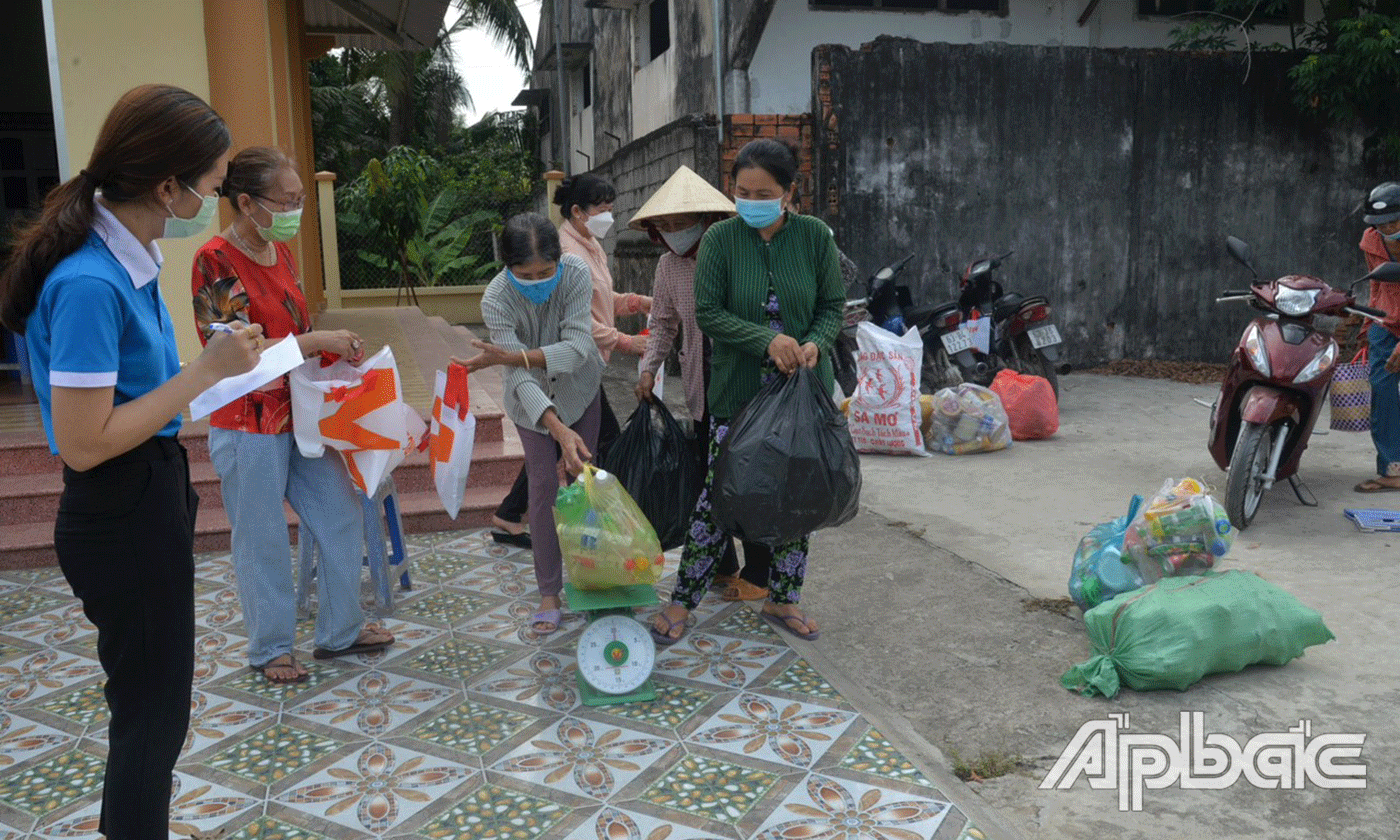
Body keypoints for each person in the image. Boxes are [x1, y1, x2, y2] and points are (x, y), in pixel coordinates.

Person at [0, 84, 260, 840]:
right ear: (167, 185)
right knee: (150, 716)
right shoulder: (88, 282)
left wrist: (211, 369)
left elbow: (137, 389)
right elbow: (84, 440)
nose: (219, 196)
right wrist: (203, 373)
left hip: (149, 490)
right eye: (213, 184)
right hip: (117, 507)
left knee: (157, 710)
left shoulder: (131, 256)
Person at [191, 147, 393, 683]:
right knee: (262, 540)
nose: (296, 210)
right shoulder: (214, 261)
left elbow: (293, 336)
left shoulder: (279, 255)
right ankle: (272, 647)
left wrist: (334, 349)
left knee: (341, 514)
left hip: (301, 417)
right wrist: (313, 339)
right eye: (288, 200)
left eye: (301, 199)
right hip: (247, 424)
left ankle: (340, 631)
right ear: (246, 203)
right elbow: (230, 351)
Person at [649, 138, 845, 645]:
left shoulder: (815, 237)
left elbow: (831, 306)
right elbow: (709, 312)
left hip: (801, 395)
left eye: (764, 192)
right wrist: (768, 340)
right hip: (737, 395)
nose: (751, 201)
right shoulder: (719, 242)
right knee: (719, 498)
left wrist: (814, 344)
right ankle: (683, 600)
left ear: (790, 192)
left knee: (796, 501)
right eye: (742, 191)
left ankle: (783, 597)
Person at [628, 165, 773, 602]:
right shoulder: (668, 268)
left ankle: (761, 571)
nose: (675, 233)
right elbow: (663, 325)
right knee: (709, 479)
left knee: (750, 479)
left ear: (707, 220)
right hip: (701, 387)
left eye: (682, 224)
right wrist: (649, 369)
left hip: (748, 385)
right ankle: (722, 564)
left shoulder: (739, 253)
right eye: (666, 226)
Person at [456, 213, 603, 634]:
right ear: (507, 267)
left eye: (545, 272)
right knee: (541, 487)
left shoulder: (575, 274)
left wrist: (512, 357)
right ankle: (549, 592)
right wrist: (557, 428)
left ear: (559, 261)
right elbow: (519, 377)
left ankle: (591, 577)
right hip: (529, 405)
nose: (537, 282)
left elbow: (577, 348)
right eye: (526, 274)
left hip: (581, 389)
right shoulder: (496, 299)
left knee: (583, 483)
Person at [488, 174, 651, 548]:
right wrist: (626, 342)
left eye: (612, 210)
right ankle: (591, 530)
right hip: (554, 374)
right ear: (577, 211)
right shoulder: (563, 255)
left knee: (561, 453)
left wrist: (635, 303)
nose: (608, 217)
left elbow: (593, 309)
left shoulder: (587, 250)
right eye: (602, 211)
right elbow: (581, 332)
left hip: (582, 370)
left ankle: (521, 515)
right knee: (573, 452)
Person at [1355, 181, 1400, 493]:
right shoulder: (1371, 240)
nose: (1386, 229)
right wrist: (1367, 323)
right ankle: (1392, 468)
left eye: (1393, 222)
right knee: (1382, 390)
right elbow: (1376, 284)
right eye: (1380, 224)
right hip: (1386, 320)